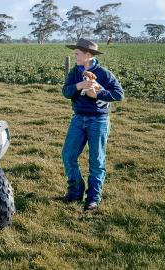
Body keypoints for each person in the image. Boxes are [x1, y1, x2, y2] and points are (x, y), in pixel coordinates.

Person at [62, 38, 124, 211]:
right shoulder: (75, 72)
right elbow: (66, 92)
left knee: (96, 160)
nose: (74, 56)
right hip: (78, 118)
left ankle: (93, 198)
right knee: (68, 155)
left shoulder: (104, 73)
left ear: (88, 55)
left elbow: (119, 94)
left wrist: (98, 94)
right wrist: (79, 85)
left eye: (77, 53)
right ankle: (75, 191)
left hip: (99, 120)